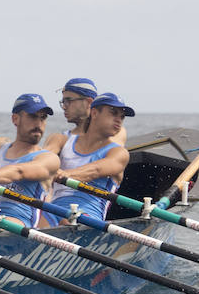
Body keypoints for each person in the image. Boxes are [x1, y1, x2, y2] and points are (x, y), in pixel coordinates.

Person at [0, 93, 61, 230]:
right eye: (33, 116)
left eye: (43, 118)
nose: (38, 123)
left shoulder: (49, 158)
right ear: (15, 119)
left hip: (20, 222)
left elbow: (19, 171)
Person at [44, 91, 133, 225]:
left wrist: (65, 174)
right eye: (113, 113)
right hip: (53, 210)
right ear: (95, 113)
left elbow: (96, 170)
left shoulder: (118, 153)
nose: (119, 120)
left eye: (122, 116)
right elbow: (41, 160)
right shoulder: (63, 140)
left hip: (88, 216)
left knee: (66, 221)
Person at [47, 77, 127, 148]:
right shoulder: (60, 139)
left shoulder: (117, 131)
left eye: (68, 101)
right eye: (63, 102)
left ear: (89, 102)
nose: (64, 107)